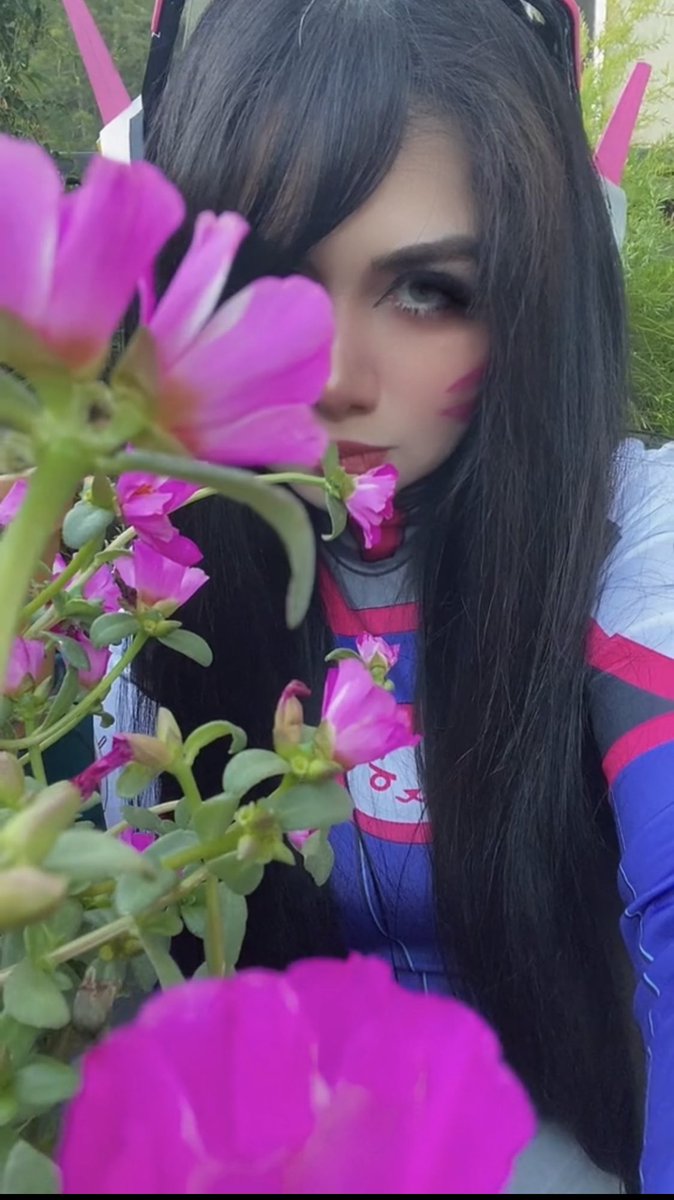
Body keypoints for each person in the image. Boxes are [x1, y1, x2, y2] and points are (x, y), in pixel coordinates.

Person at [97, 0, 674, 1192]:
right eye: (267, 281)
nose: (334, 379)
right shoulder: (128, 556)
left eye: (425, 291)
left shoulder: (629, 541)